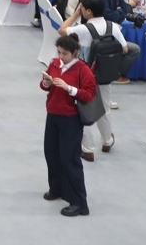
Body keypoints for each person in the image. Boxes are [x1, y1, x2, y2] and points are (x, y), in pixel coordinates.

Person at [57, 0, 127, 161]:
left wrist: (75, 15)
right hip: (106, 73)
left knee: (86, 109)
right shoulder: (113, 26)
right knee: (105, 108)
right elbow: (124, 49)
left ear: (88, 11)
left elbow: (62, 30)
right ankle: (107, 140)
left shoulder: (84, 29)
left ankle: (88, 148)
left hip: (86, 73)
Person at [41, 33, 96, 217]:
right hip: (53, 114)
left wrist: (68, 88)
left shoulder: (83, 70)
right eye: (59, 52)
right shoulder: (54, 64)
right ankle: (56, 188)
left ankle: (79, 201)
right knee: (51, 153)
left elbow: (89, 94)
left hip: (71, 118)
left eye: (64, 53)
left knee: (69, 159)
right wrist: (46, 83)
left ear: (74, 53)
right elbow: (44, 86)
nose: (61, 56)